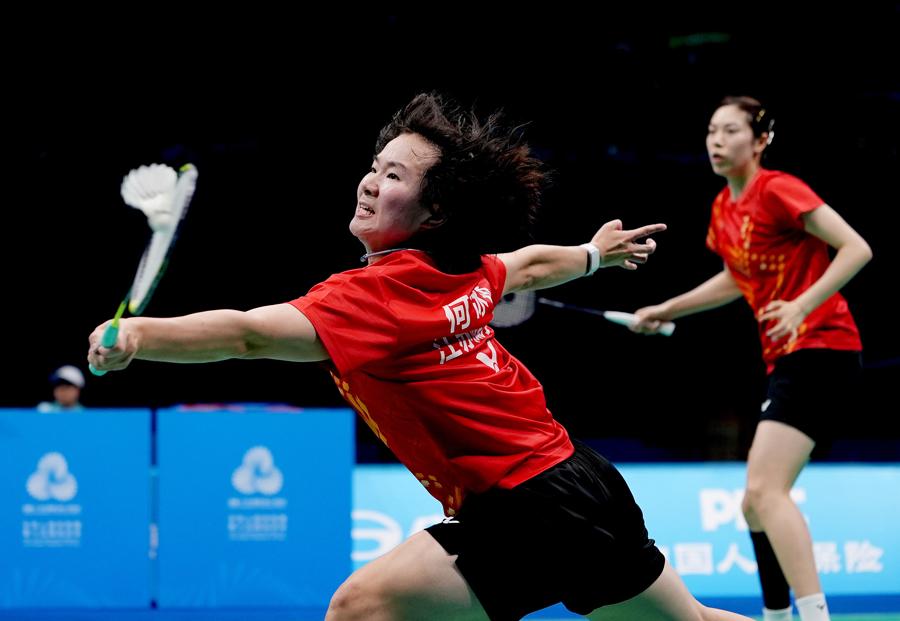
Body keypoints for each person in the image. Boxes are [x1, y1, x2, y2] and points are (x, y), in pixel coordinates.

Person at [89, 92, 752, 621]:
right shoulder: (459, 269)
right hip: (578, 484)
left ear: (435, 211)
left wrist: (142, 338)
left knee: (359, 608)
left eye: (394, 176)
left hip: (528, 502)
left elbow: (247, 335)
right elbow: (525, 266)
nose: (370, 183)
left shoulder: (375, 295)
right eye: (376, 166)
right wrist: (590, 256)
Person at [632, 96, 872, 621]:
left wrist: (803, 304)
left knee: (765, 491)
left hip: (822, 346)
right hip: (786, 358)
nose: (716, 141)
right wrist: (668, 308)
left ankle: (814, 616)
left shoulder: (778, 189)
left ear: (760, 140)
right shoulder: (724, 209)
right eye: (711, 131)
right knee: (753, 503)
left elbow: (856, 247)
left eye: (730, 131)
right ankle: (777, 615)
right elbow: (735, 279)